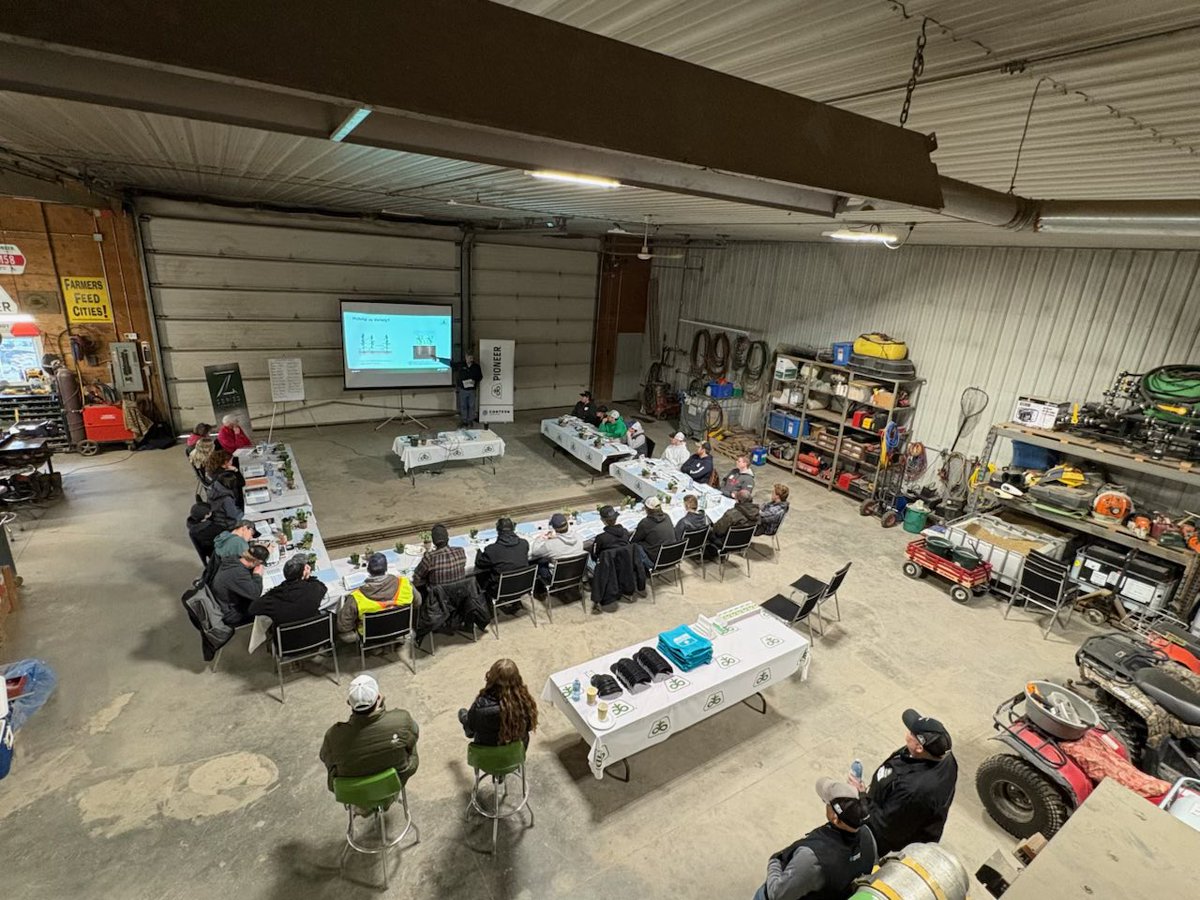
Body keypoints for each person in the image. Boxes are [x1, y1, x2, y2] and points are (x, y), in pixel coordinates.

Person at [852, 709, 958, 857]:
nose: (906, 734)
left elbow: (884, 828)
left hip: (881, 836)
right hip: (901, 811)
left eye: (910, 733)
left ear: (919, 747)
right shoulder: (945, 757)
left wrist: (862, 795)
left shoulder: (914, 790)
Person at [753, 778, 876, 900]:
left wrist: (775, 860)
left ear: (835, 817)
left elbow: (777, 894)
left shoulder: (812, 858)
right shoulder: (868, 837)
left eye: (828, 803)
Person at [320, 674, 419, 793]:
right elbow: (415, 732)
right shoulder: (401, 720)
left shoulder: (333, 735)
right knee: (410, 737)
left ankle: (363, 804)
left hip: (353, 791)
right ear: (379, 697)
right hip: (393, 783)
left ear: (349, 703)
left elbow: (324, 757)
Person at [457, 658, 540, 747]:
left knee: (465, 715)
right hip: (516, 754)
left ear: (491, 677)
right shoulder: (525, 702)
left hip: (487, 755)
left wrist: (464, 718)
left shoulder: (479, 706)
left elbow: (469, 732)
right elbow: (530, 726)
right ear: (517, 679)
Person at [337, 552, 414, 642]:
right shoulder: (405, 583)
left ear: (368, 570)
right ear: (386, 568)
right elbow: (418, 602)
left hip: (369, 635)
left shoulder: (356, 597)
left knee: (344, 635)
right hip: (399, 628)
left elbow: (343, 626)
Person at [249, 552, 327, 626]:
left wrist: (274, 591)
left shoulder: (274, 598)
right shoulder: (314, 589)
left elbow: (253, 608)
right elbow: (322, 587)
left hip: (287, 638)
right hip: (315, 634)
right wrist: (307, 576)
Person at [210, 545, 269, 626]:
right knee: (266, 605)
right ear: (257, 561)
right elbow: (255, 594)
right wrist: (257, 575)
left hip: (222, 603)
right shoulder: (238, 574)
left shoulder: (233, 560)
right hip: (231, 613)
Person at [474, 517, 530, 598]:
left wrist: (478, 550)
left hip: (500, 590)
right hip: (523, 586)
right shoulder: (524, 544)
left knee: (480, 575)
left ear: (498, 531)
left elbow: (479, 563)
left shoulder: (492, 550)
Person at [529, 512, 584, 585]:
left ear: (554, 528)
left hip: (556, 578)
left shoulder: (550, 545)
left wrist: (540, 538)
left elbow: (535, 552)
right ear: (567, 524)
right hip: (575, 574)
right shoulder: (578, 537)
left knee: (538, 562)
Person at [412, 524, 466, 591]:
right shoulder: (460, 551)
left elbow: (416, 577)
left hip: (438, 599)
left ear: (434, 543)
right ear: (448, 539)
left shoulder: (429, 557)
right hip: (459, 595)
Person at [437, 351, 483, 427]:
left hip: (472, 390)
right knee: (463, 405)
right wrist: (439, 359)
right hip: (463, 389)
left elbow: (480, 376)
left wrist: (475, 380)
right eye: (469, 357)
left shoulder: (476, 366)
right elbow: (451, 363)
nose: (470, 359)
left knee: (471, 406)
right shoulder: (461, 365)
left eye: (472, 358)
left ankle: (470, 420)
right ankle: (464, 421)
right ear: (466, 357)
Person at [708, 488, 760, 554]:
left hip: (726, 543)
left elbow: (718, 531)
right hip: (744, 542)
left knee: (707, 530)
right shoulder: (756, 512)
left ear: (738, 501)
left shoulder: (731, 514)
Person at [585, 504, 630, 575]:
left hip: (606, 568)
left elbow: (594, 555)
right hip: (624, 564)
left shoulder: (601, 538)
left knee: (586, 555)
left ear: (602, 520)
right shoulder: (625, 532)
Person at [631, 496, 675, 568]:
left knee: (634, 546)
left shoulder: (645, 523)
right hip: (673, 557)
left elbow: (633, 540)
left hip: (656, 561)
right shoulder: (667, 516)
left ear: (647, 509)